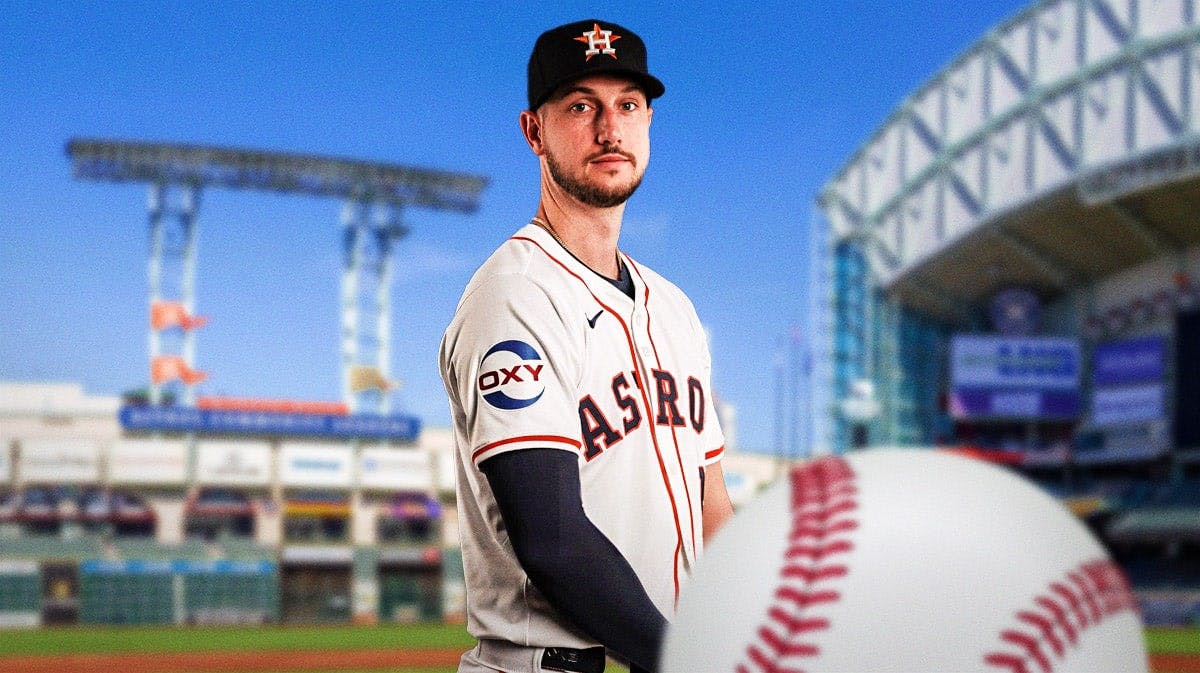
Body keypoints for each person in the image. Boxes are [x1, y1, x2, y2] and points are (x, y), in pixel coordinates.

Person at [439, 18, 734, 673]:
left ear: (649, 123)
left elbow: (713, 508)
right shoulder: (514, 294)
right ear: (533, 131)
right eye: (581, 106)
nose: (610, 128)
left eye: (627, 105)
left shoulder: (675, 308)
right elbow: (554, 540)